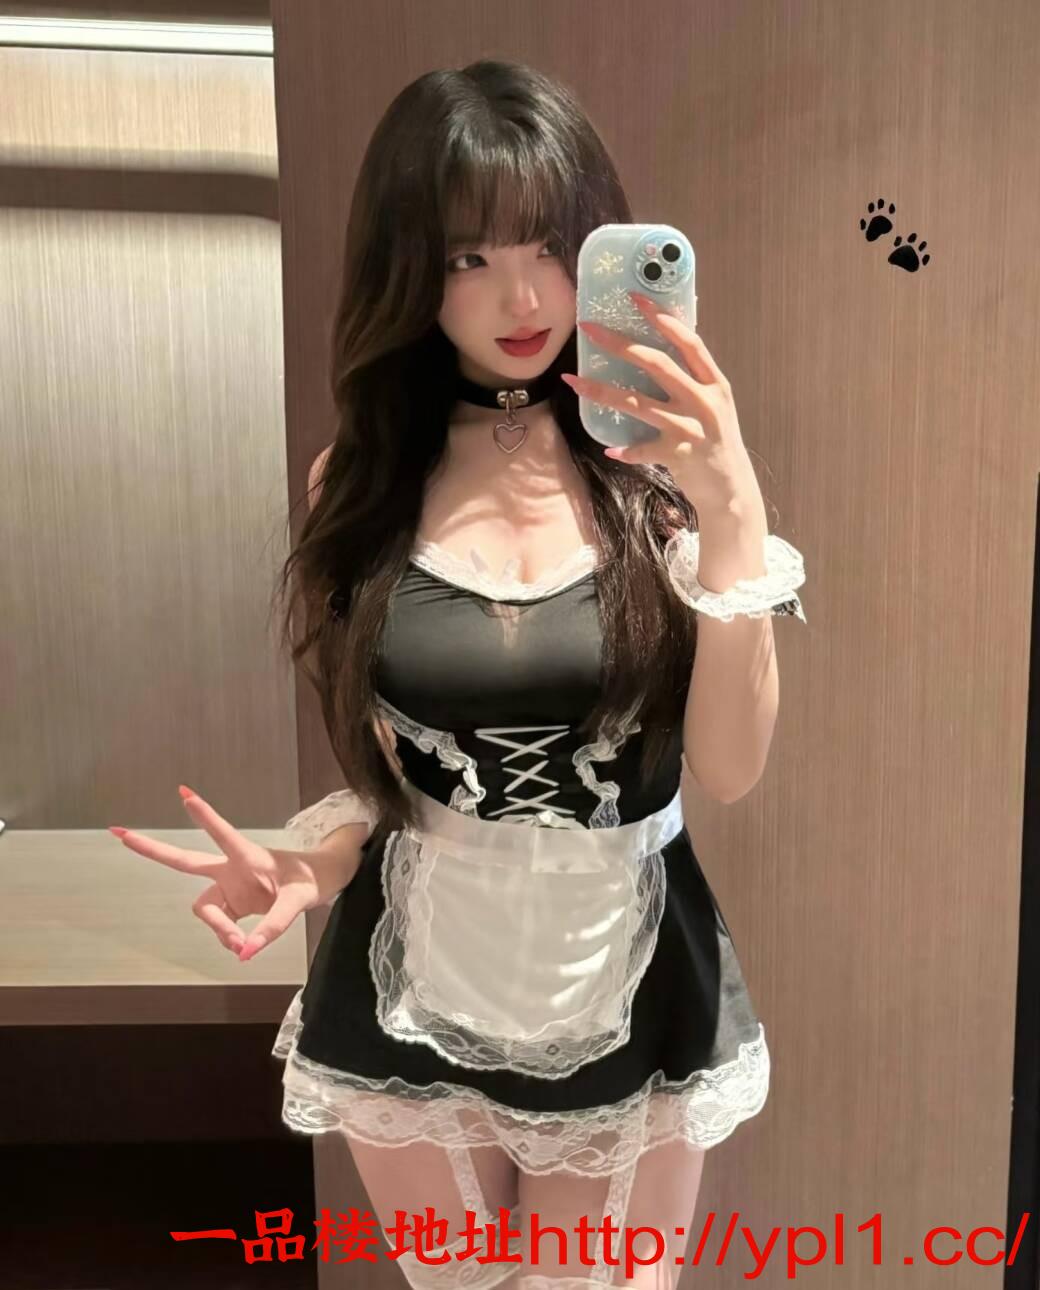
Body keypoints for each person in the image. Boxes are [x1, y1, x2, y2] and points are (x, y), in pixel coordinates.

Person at [112, 58, 806, 1289]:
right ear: (408, 268)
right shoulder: (359, 482)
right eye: (466, 256)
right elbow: (399, 771)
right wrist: (315, 861)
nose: (520, 294)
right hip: (414, 971)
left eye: (547, 246)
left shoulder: (660, 484)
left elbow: (730, 768)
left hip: (623, 966)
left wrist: (732, 505)